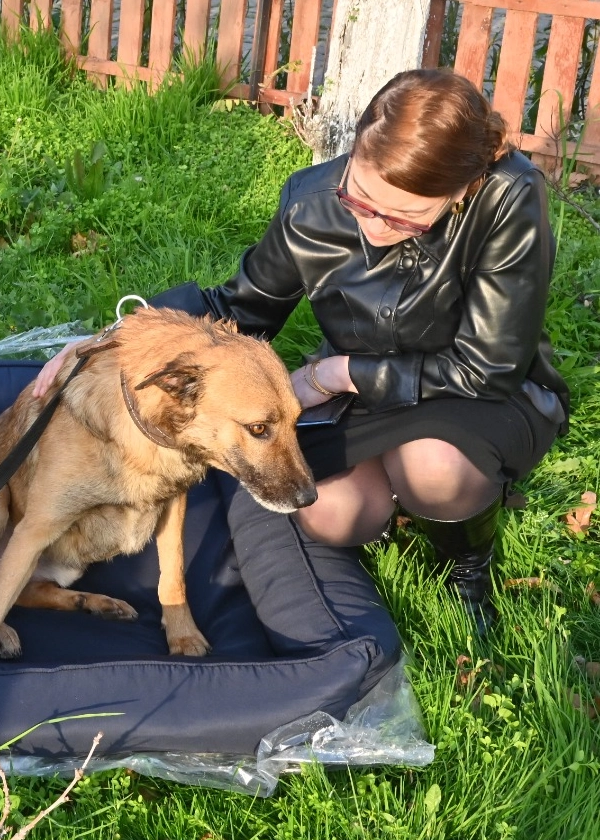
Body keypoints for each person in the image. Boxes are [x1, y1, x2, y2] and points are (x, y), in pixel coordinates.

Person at [34, 69, 569, 630]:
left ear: (459, 192)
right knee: (331, 513)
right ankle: (392, 506)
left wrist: (335, 374)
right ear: (354, 154)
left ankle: (467, 563)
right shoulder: (310, 202)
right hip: (366, 398)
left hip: (476, 390)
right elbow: (240, 309)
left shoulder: (509, 196)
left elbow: (490, 366)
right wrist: (118, 337)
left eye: (405, 218)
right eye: (361, 198)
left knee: (435, 469)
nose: (375, 227)